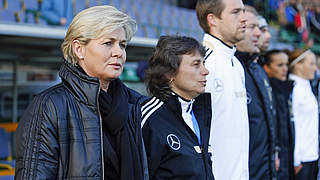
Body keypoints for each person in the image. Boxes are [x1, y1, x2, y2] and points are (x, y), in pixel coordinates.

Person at [15, 5, 148, 179]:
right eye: (108, 43)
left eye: (122, 45)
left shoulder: (136, 104)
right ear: (79, 49)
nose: (119, 53)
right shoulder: (49, 106)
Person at [141, 35, 213, 180]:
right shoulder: (149, 117)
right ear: (169, 73)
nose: (206, 71)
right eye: (196, 64)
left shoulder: (198, 112)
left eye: (203, 63)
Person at [196, 0, 249, 179]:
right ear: (212, 19)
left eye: (243, 11)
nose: (244, 19)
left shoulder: (237, 64)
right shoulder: (203, 63)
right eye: (235, 12)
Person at [235, 5, 277, 180]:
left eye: (259, 28)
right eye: (252, 27)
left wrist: (275, 151)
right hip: (243, 171)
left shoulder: (258, 70)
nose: (259, 34)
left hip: (266, 167)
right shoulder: (227, 68)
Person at [263, 50, 295, 180]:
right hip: (274, 160)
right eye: (279, 65)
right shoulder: (267, 92)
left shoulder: (287, 89)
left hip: (288, 157)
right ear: (267, 67)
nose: (285, 69)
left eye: (286, 65)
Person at [288, 48, 319, 180]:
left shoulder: (307, 87)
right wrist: (296, 159)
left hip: (312, 155)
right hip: (301, 160)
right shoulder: (294, 89)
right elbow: (293, 125)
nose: (315, 68)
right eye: (311, 64)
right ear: (298, 65)